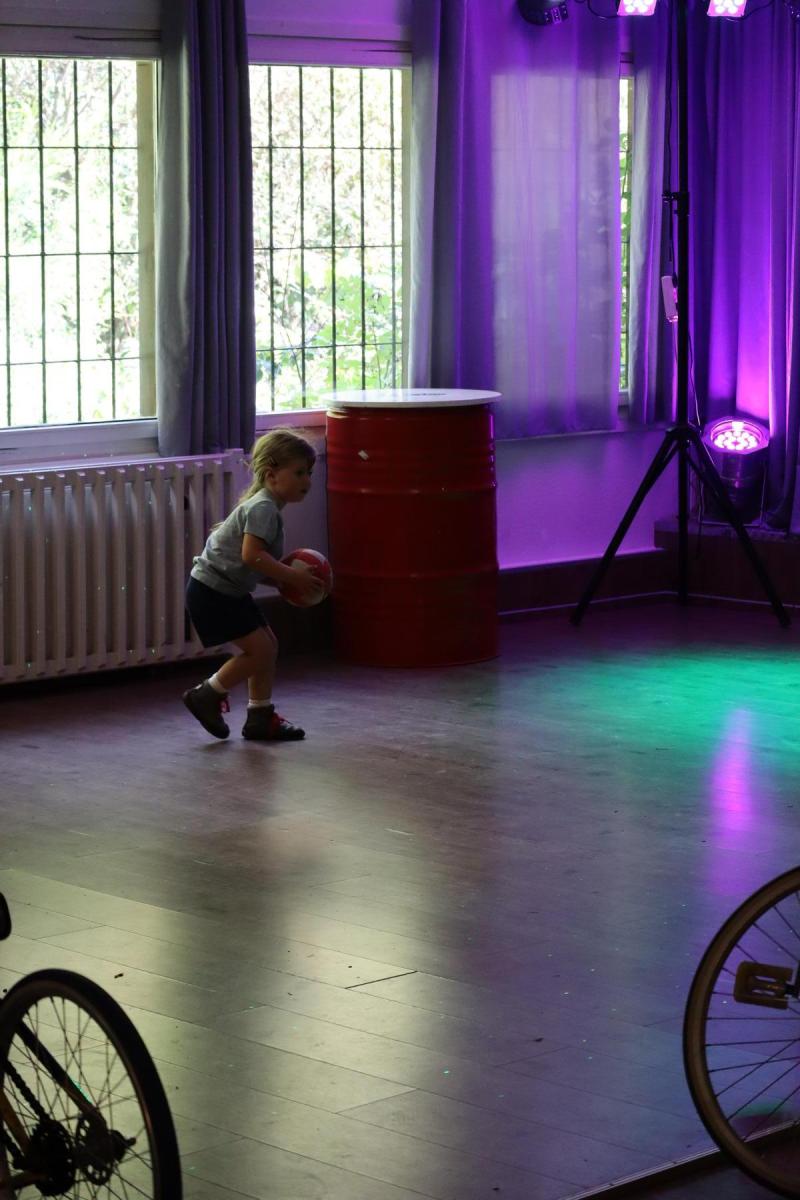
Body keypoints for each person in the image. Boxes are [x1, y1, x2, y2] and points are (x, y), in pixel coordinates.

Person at [182, 428, 323, 741]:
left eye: (309, 473)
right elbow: (252, 556)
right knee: (260, 651)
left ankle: (260, 716)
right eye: (299, 472)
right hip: (212, 592)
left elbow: (253, 564)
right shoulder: (263, 508)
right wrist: (293, 577)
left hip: (225, 590)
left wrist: (284, 583)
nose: (307, 480)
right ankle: (206, 695)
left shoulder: (268, 507)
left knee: (268, 648)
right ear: (272, 475)